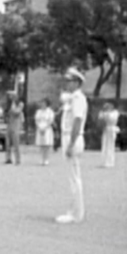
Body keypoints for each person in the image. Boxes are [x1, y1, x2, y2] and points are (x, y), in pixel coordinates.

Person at [56, 68, 89, 224]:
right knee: (72, 176)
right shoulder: (72, 98)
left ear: (77, 82)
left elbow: (77, 121)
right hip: (68, 136)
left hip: (72, 137)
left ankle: (75, 213)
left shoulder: (78, 98)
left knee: (74, 178)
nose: (67, 84)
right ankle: (74, 211)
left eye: (70, 81)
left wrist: (71, 144)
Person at [4, 90, 24, 165]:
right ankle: (8, 158)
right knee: (8, 142)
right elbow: (6, 113)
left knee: (16, 142)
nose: (11, 97)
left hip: (16, 124)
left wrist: (12, 106)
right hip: (9, 124)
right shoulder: (8, 105)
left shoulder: (20, 104)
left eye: (12, 96)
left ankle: (18, 159)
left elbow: (17, 112)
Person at [34, 98, 55, 166]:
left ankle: (46, 159)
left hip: (47, 128)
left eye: (44, 103)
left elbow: (50, 120)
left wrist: (45, 128)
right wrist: (39, 127)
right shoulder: (38, 111)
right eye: (42, 103)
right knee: (41, 144)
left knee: (46, 144)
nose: (42, 104)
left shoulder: (50, 111)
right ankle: (42, 158)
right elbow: (36, 120)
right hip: (40, 128)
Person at [99, 103, 120, 168]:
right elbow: (100, 118)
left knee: (110, 146)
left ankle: (110, 162)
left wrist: (106, 114)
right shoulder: (104, 113)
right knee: (105, 145)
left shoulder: (115, 113)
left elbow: (111, 118)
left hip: (111, 129)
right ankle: (104, 161)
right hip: (106, 130)